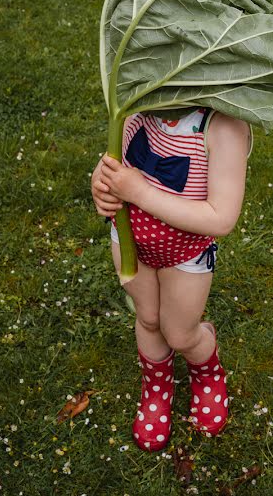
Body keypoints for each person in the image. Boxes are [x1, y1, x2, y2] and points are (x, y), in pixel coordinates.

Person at [90, 107, 251, 452]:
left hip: (185, 253)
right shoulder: (139, 107)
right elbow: (110, 163)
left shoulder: (222, 126)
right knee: (148, 319)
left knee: (179, 333)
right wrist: (100, 186)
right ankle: (157, 387)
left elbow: (221, 219)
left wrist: (140, 193)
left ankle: (206, 370)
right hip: (130, 240)